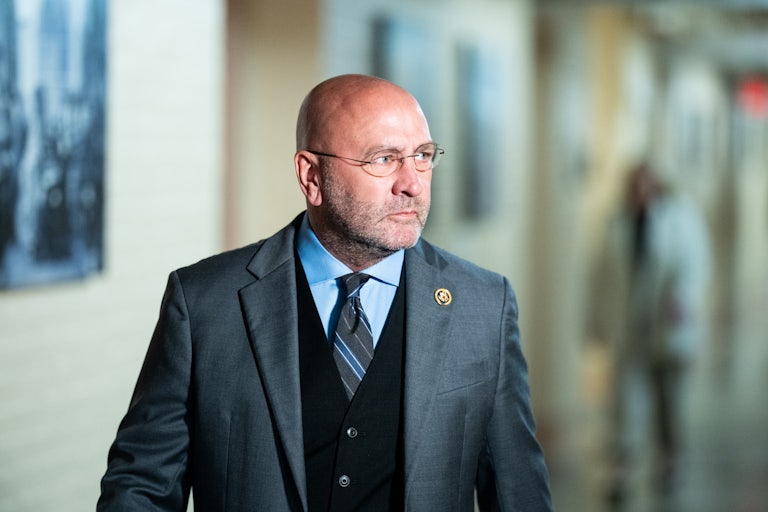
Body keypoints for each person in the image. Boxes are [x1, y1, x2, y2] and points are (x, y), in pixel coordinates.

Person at [97, 74, 552, 511]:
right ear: (311, 176)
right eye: (384, 159)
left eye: (423, 156)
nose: (412, 183)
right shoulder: (203, 304)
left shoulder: (483, 305)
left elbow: (519, 495)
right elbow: (142, 487)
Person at [590, 162, 711, 501]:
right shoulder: (617, 224)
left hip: (669, 330)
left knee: (669, 403)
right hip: (629, 331)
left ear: (657, 187)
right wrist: (595, 323)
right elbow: (601, 277)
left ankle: (669, 461)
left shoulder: (679, 220)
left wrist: (683, 297)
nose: (641, 193)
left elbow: (694, 265)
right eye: (635, 186)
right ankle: (621, 473)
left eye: (647, 186)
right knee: (625, 406)